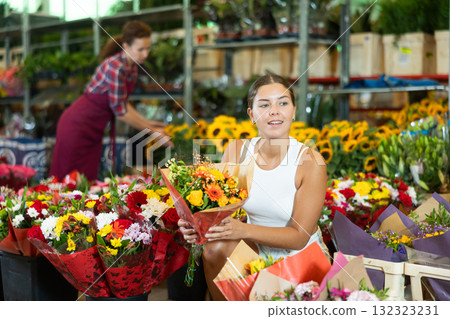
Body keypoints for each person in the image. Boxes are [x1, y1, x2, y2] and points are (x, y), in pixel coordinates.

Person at [178, 73, 328, 301]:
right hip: (255, 247)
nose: (274, 111)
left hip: (299, 256)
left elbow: (298, 237)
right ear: (251, 114)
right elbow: (220, 207)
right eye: (264, 105)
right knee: (213, 247)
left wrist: (243, 230)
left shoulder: (310, 162)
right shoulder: (238, 151)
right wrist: (196, 224)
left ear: (294, 111)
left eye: (283, 103)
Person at [50, 20, 172, 181]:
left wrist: (148, 122)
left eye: (148, 48)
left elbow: (122, 102)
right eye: (140, 49)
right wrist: (151, 130)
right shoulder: (115, 67)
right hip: (77, 126)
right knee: (68, 181)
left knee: (86, 181)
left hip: (93, 130)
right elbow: (120, 112)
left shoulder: (132, 66)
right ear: (126, 47)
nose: (146, 54)